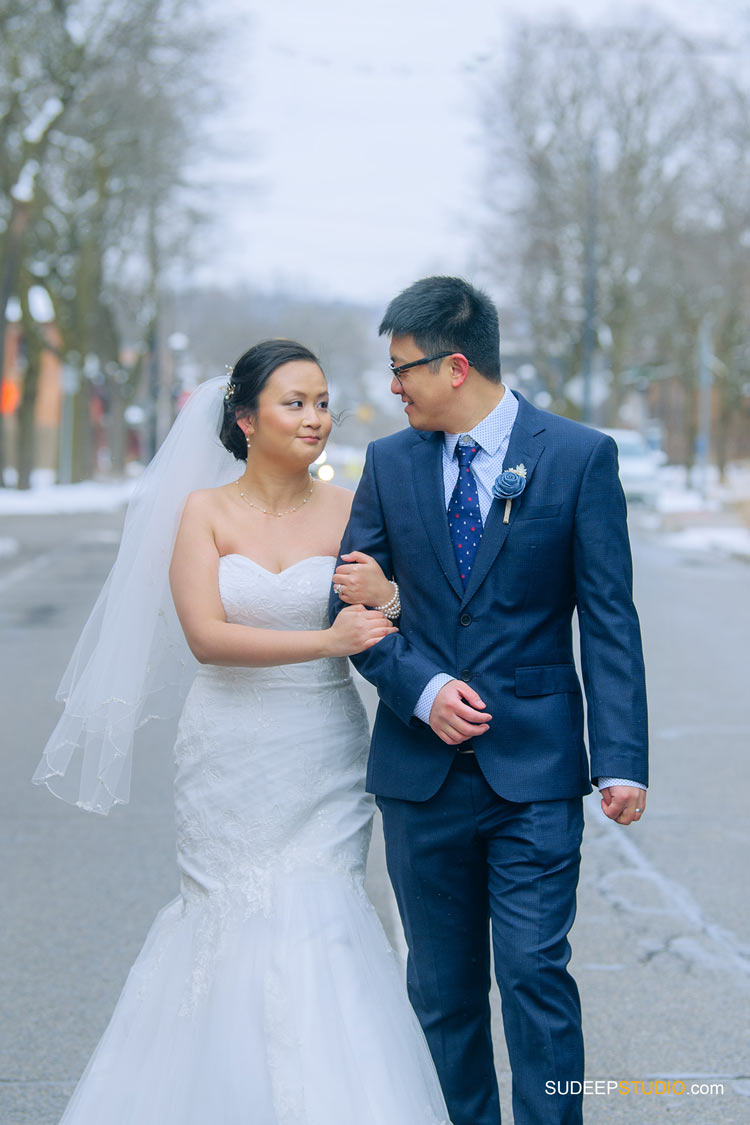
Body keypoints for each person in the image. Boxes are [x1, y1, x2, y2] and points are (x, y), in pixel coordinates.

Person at [33, 340, 452, 1124]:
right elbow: (206, 635)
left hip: (322, 748)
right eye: (295, 402)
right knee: (225, 917)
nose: (316, 418)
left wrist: (388, 594)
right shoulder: (203, 512)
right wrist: (327, 640)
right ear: (244, 418)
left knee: (325, 911)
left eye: (323, 401)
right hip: (227, 748)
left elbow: (401, 621)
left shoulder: (353, 507)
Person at [330, 276, 649, 1125]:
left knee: (535, 977)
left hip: (535, 775)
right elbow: (349, 604)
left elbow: (609, 619)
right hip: (420, 777)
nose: (393, 387)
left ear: (456, 364)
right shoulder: (390, 464)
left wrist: (619, 757)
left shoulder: (580, 456)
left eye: (403, 370)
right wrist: (421, 687)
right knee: (441, 991)